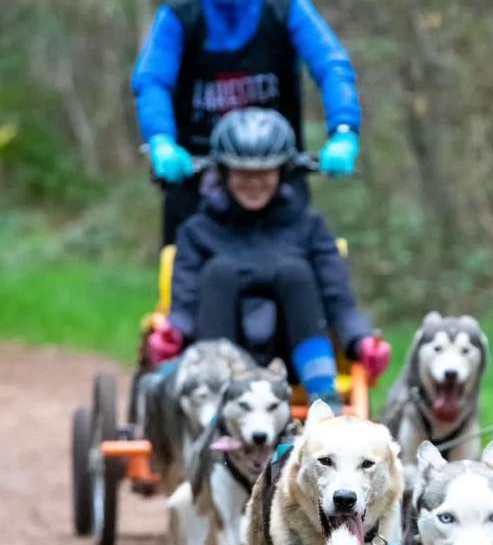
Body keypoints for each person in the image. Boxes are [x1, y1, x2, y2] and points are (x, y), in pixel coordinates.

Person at [146, 109, 390, 405]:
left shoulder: (309, 228)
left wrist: (361, 339)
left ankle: (325, 401)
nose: (254, 182)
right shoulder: (197, 233)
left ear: (282, 171)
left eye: (264, 172)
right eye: (242, 172)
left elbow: (339, 300)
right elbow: (184, 301)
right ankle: (215, 399)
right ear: (223, 172)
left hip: (293, 363)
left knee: (295, 273)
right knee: (219, 272)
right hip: (218, 363)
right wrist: (173, 333)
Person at [132, 0, 361, 244]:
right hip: (197, 189)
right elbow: (152, 81)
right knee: (182, 280)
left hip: (278, 188)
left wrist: (344, 131)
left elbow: (332, 66)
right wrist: (161, 140)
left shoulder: (287, 9)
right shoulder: (177, 18)